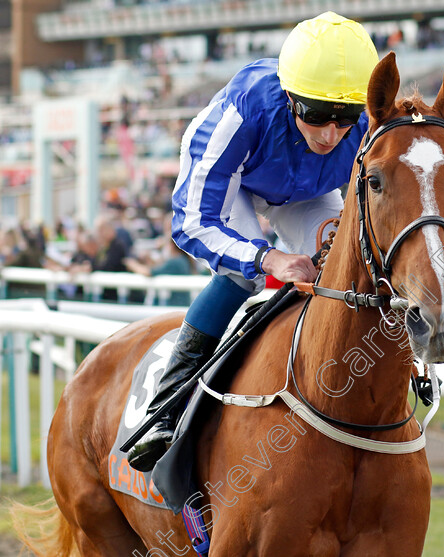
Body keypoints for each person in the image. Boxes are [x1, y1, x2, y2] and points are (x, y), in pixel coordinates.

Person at [128, 12, 379, 471]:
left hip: (307, 189)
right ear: (288, 97)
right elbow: (191, 224)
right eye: (317, 114)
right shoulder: (244, 110)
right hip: (236, 178)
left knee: (340, 264)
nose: (330, 134)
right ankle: (166, 407)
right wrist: (267, 257)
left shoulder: (367, 124)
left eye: (345, 118)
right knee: (242, 278)